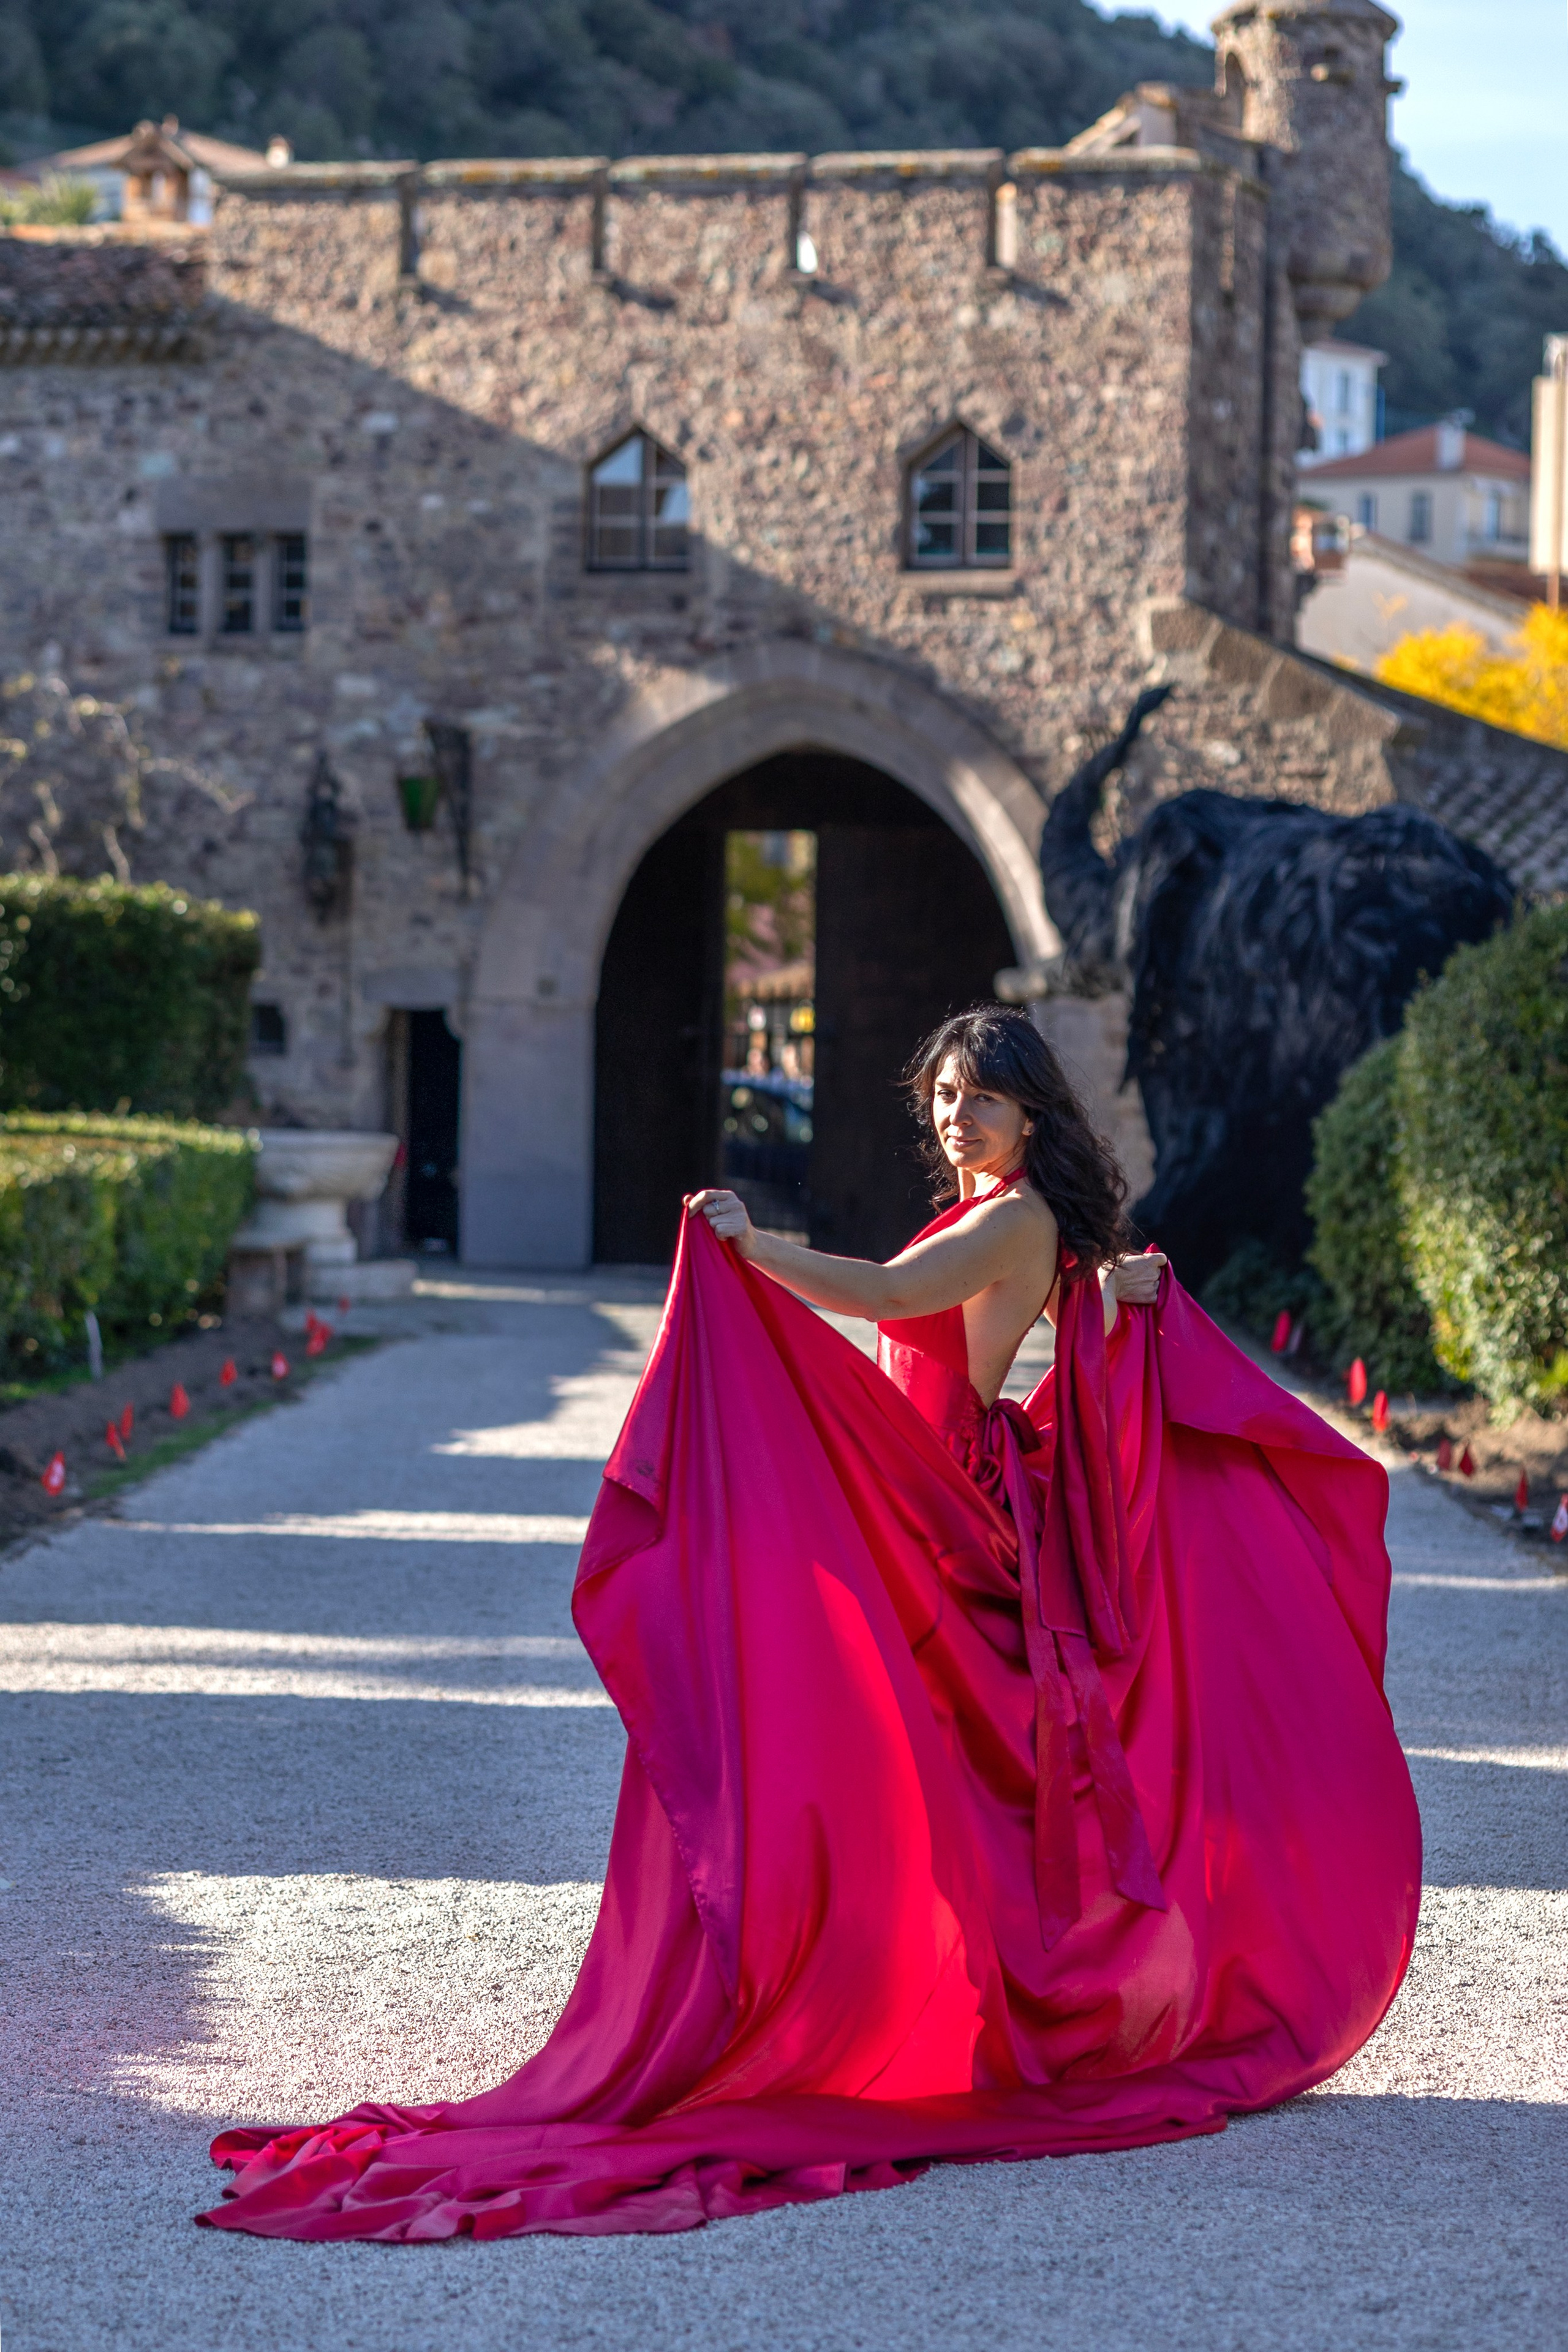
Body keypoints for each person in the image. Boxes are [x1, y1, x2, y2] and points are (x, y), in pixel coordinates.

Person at [200, 1005, 1420, 2243]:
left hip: (948, 1509)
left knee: (871, 1729)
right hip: (922, 1488)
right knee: (872, 1731)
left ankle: (974, 2005)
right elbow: (1028, 1335)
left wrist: (754, 1248)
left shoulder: (1012, 1218)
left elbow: (889, 1295)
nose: (957, 1116)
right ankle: (913, 1995)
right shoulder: (999, 1214)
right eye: (943, 1095)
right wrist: (1113, 1297)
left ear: (1031, 1114)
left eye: (983, 1098)